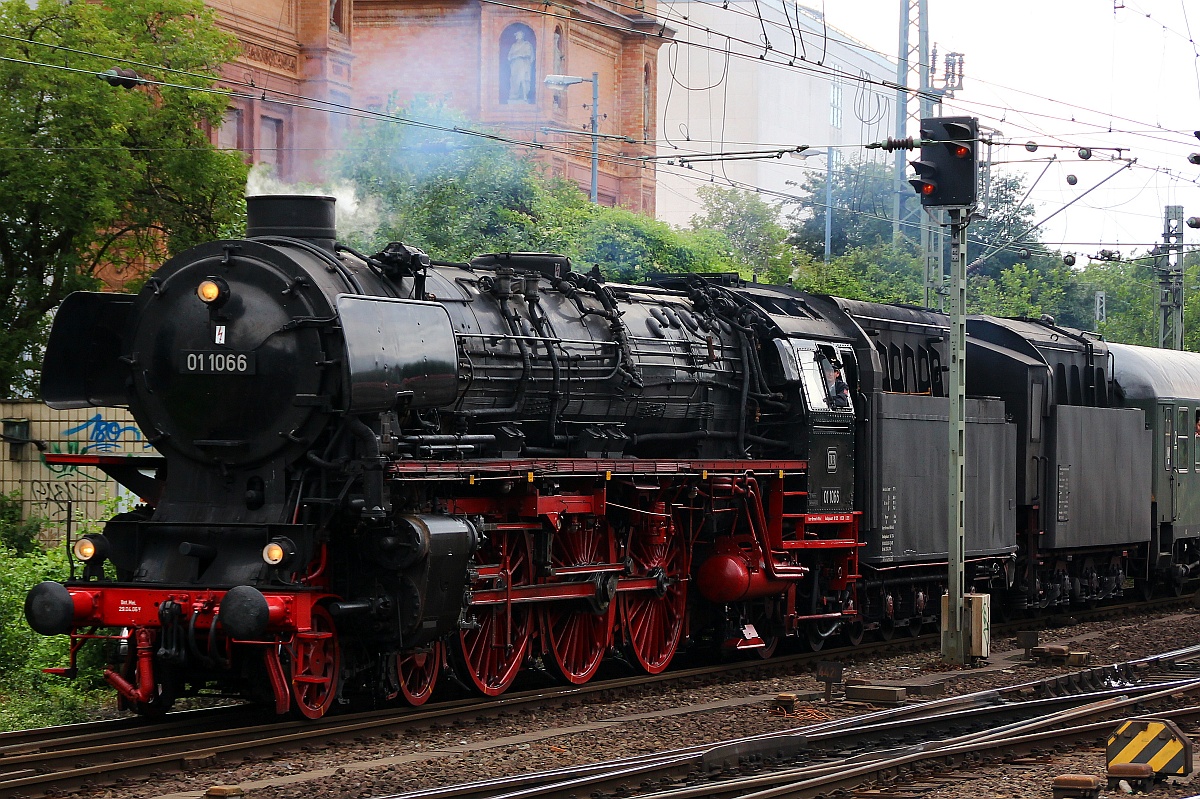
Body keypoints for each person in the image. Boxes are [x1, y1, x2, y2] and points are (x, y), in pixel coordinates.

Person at [507, 31, 534, 103]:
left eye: (519, 35)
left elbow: (528, 54)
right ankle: (515, 95)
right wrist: (517, 55)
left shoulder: (526, 44)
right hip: (515, 65)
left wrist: (518, 54)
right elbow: (509, 57)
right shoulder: (514, 46)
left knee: (523, 79)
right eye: (517, 35)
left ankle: (524, 96)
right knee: (514, 80)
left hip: (523, 65)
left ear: (522, 36)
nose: (518, 36)